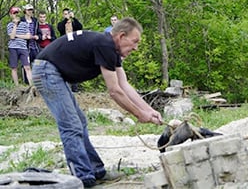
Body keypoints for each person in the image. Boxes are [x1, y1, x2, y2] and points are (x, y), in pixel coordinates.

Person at [32, 17, 163, 187]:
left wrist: (148, 110)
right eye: (135, 42)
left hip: (53, 71)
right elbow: (114, 91)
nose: (136, 48)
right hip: (46, 70)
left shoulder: (110, 48)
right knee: (71, 126)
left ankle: (95, 171)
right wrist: (139, 114)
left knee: (80, 122)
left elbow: (124, 85)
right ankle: (83, 178)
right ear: (121, 36)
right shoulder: (105, 45)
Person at [57, 8, 83, 92]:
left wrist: (74, 18)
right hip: (64, 45)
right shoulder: (61, 24)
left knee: (75, 66)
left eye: (67, 14)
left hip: (74, 46)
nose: (66, 15)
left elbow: (80, 27)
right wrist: (66, 19)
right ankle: (65, 87)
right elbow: (60, 28)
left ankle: (75, 88)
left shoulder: (74, 23)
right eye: (65, 14)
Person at [7, 6, 33, 86]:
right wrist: (15, 25)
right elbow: (11, 37)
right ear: (11, 14)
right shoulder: (9, 25)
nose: (16, 14)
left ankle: (32, 85)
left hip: (23, 48)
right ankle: (17, 86)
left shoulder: (24, 24)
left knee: (27, 67)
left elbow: (28, 36)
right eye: (14, 13)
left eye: (17, 13)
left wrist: (17, 36)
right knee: (14, 68)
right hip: (13, 48)